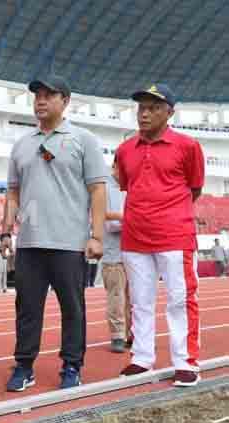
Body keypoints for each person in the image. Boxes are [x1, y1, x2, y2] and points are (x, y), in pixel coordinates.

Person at [0, 75, 107, 391]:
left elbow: (97, 190)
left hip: (69, 242)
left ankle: (72, 366)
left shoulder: (83, 139)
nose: (41, 100)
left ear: (66, 101)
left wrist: (96, 235)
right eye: (37, 96)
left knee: (72, 308)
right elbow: (13, 194)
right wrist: (6, 233)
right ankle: (23, 365)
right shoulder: (22, 144)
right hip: (29, 242)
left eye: (49, 95)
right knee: (27, 309)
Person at [117, 84, 205, 387]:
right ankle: (141, 358)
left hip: (175, 237)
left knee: (180, 301)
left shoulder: (188, 146)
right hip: (135, 237)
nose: (144, 113)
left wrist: (168, 213)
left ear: (170, 112)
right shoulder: (125, 149)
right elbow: (129, 185)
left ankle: (186, 361)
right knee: (140, 302)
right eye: (141, 106)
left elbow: (195, 188)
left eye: (154, 107)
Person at [102, 156, 131, 353]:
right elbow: (110, 223)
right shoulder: (103, 187)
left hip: (134, 251)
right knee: (117, 296)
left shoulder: (131, 187)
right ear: (115, 166)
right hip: (113, 253)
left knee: (134, 297)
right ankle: (117, 335)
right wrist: (132, 219)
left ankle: (132, 333)